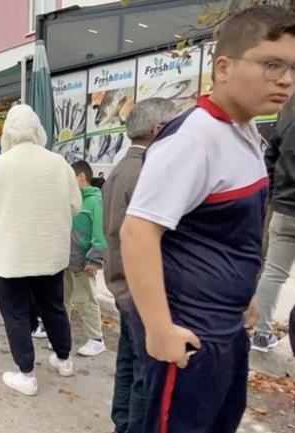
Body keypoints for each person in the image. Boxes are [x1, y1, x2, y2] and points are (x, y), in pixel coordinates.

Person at [120, 7, 295, 433]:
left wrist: (245, 294)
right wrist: (160, 330)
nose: (286, 80)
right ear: (223, 66)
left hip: (227, 330)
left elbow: (231, 232)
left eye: (292, 68)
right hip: (191, 338)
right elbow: (137, 232)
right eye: (271, 64)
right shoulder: (194, 139)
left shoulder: (245, 133)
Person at [0, 104, 80, 396]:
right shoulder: (59, 163)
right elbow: (75, 205)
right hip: (48, 254)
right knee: (54, 307)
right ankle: (64, 360)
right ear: (38, 130)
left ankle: (27, 374)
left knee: (16, 314)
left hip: (9, 256)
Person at [103, 97, 177, 433]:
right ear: (159, 129)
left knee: (129, 363)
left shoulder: (121, 168)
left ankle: (122, 422)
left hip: (122, 284)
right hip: (139, 288)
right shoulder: (148, 171)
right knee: (143, 373)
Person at [253, 115, 295, 352]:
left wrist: (272, 197)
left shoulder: (287, 122)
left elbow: (268, 162)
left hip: (283, 209)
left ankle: (261, 334)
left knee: (273, 273)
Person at [64, 160, 107, 357]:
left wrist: (95, 260)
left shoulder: (95, 201)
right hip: (66, 260)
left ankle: (96, 339)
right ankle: (62, 336)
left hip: (83, 261)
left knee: (85, 300)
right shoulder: (73, 199)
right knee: (62, 300)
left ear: (81, 177)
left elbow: (100, 233)